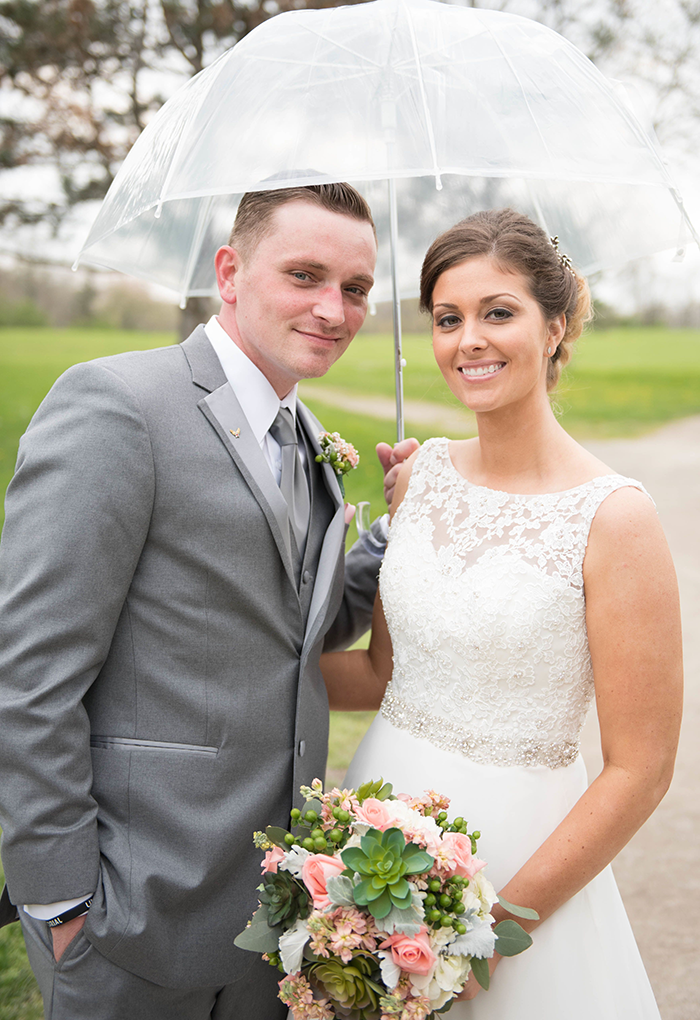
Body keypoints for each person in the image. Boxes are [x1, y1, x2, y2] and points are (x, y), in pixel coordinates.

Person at [0, 182, 417, 1019]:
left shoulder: (306, 437)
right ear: (229, 271)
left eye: (358, 288)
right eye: (305, 275)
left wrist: (392, 534)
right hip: (131, 916)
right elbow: (29, 679)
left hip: (270, 914)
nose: (334, 309)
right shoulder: (118, 406)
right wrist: (62, 907)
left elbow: (305, 627)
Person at [321, 208, 683, 1019]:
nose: (468, 340)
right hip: (377, 829)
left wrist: (488, 935)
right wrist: (213, 671)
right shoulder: (419, 481)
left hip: (521, 866)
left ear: (556, 327)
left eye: (498, 313)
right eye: (448, 319)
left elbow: (641, 770)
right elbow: (384, 673)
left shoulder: (615, 518)